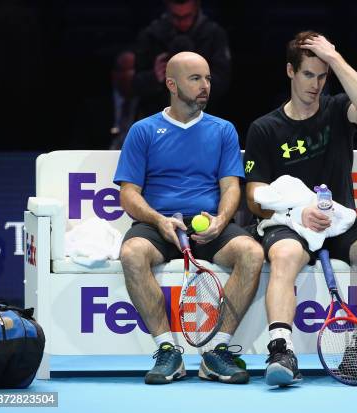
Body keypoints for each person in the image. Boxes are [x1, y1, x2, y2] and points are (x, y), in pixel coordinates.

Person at [244, 31, 357, 386]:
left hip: (339, 224)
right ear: (290, 71)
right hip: (290, 226)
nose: (315, 84)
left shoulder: (337, 111)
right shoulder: (264, 128)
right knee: (284, 254)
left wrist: (334, 57)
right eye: (307, 74)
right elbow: (255, 197)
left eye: (322, 75)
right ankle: (281, 350)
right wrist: (297, 213)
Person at [114, 52, 263, 385]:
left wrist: (221, 221)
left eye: (208, 79)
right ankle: (168, 350)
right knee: (132, 253)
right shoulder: (143, 131)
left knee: (252, 252)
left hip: (209, 225)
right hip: (159, 225)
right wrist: (158, 220)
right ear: (171, 84)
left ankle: (217, 352)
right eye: (195, 79)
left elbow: (230, 188)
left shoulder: (224, 130)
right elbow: (129, 194)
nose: (205, 86)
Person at [133, 0, 231, 118]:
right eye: (175, 17)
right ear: (168, 9)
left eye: (187, 16)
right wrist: (154, 76)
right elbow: (136, 85)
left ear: (196, 8)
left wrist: (197, 78)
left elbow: (223, 82)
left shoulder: (214, 34)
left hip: (204, 117)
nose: (181, 22)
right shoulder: (151, 35)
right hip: (159, 116)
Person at [109, 51, 139, 149]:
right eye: (125, 70)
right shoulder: (93, 107)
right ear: (114, 74)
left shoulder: (148, 105)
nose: (131, 74)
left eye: (133, 70)